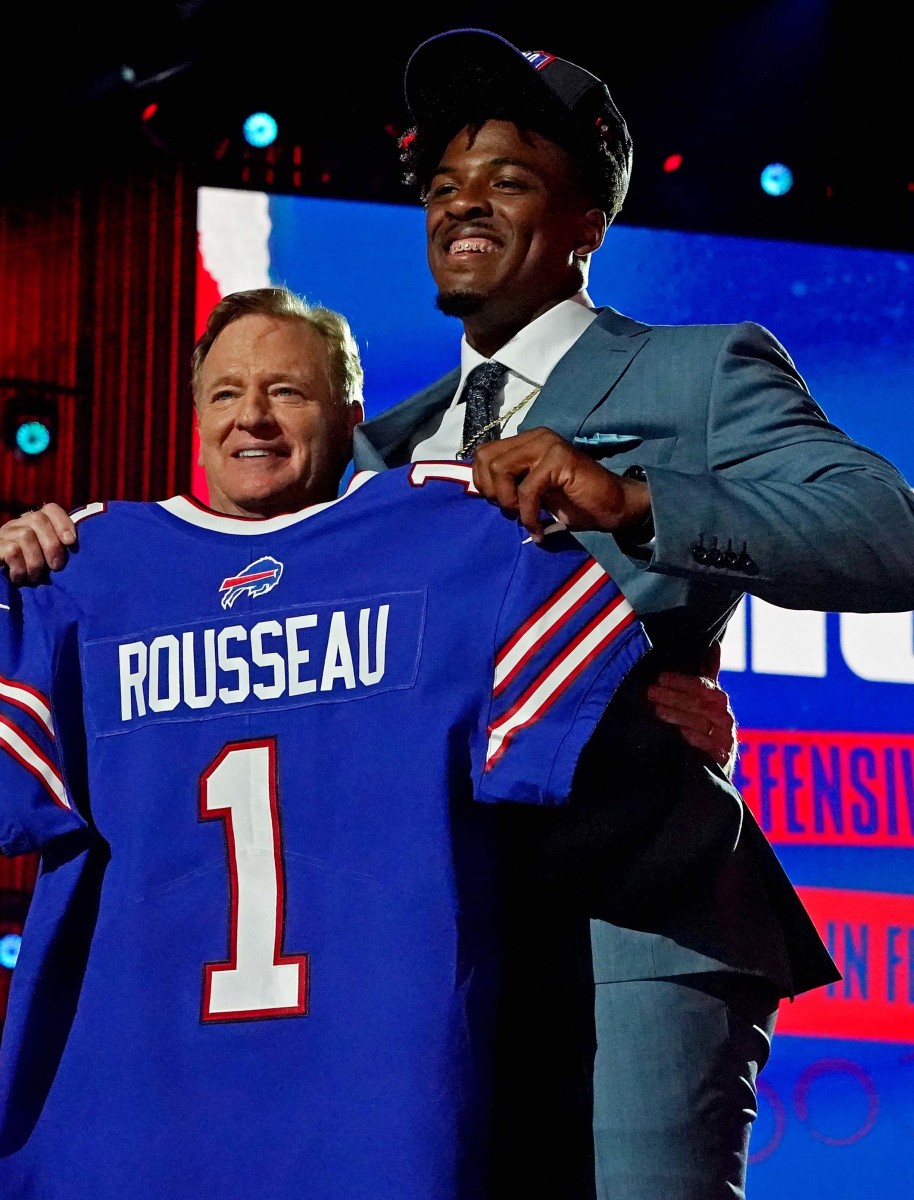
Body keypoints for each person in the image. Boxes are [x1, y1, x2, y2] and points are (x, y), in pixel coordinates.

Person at [0, 286, 737, 1200]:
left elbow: (601, 755)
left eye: (287, 393)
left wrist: (664, 713)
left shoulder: (454, 539)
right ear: (193, 415)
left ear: (351, 417)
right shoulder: (74, 574)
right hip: (137, 1101)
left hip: (363, 1100)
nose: (253, 417)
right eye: (226, 394)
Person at [346, 26, 914, 1200]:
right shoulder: (378, 451)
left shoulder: (696, 370)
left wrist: (633, 496)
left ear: (586, 225)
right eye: (442, 185)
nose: (463, 206)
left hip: (632, 934)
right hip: (432, 958)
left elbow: (885, 530)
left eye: (508, 180)